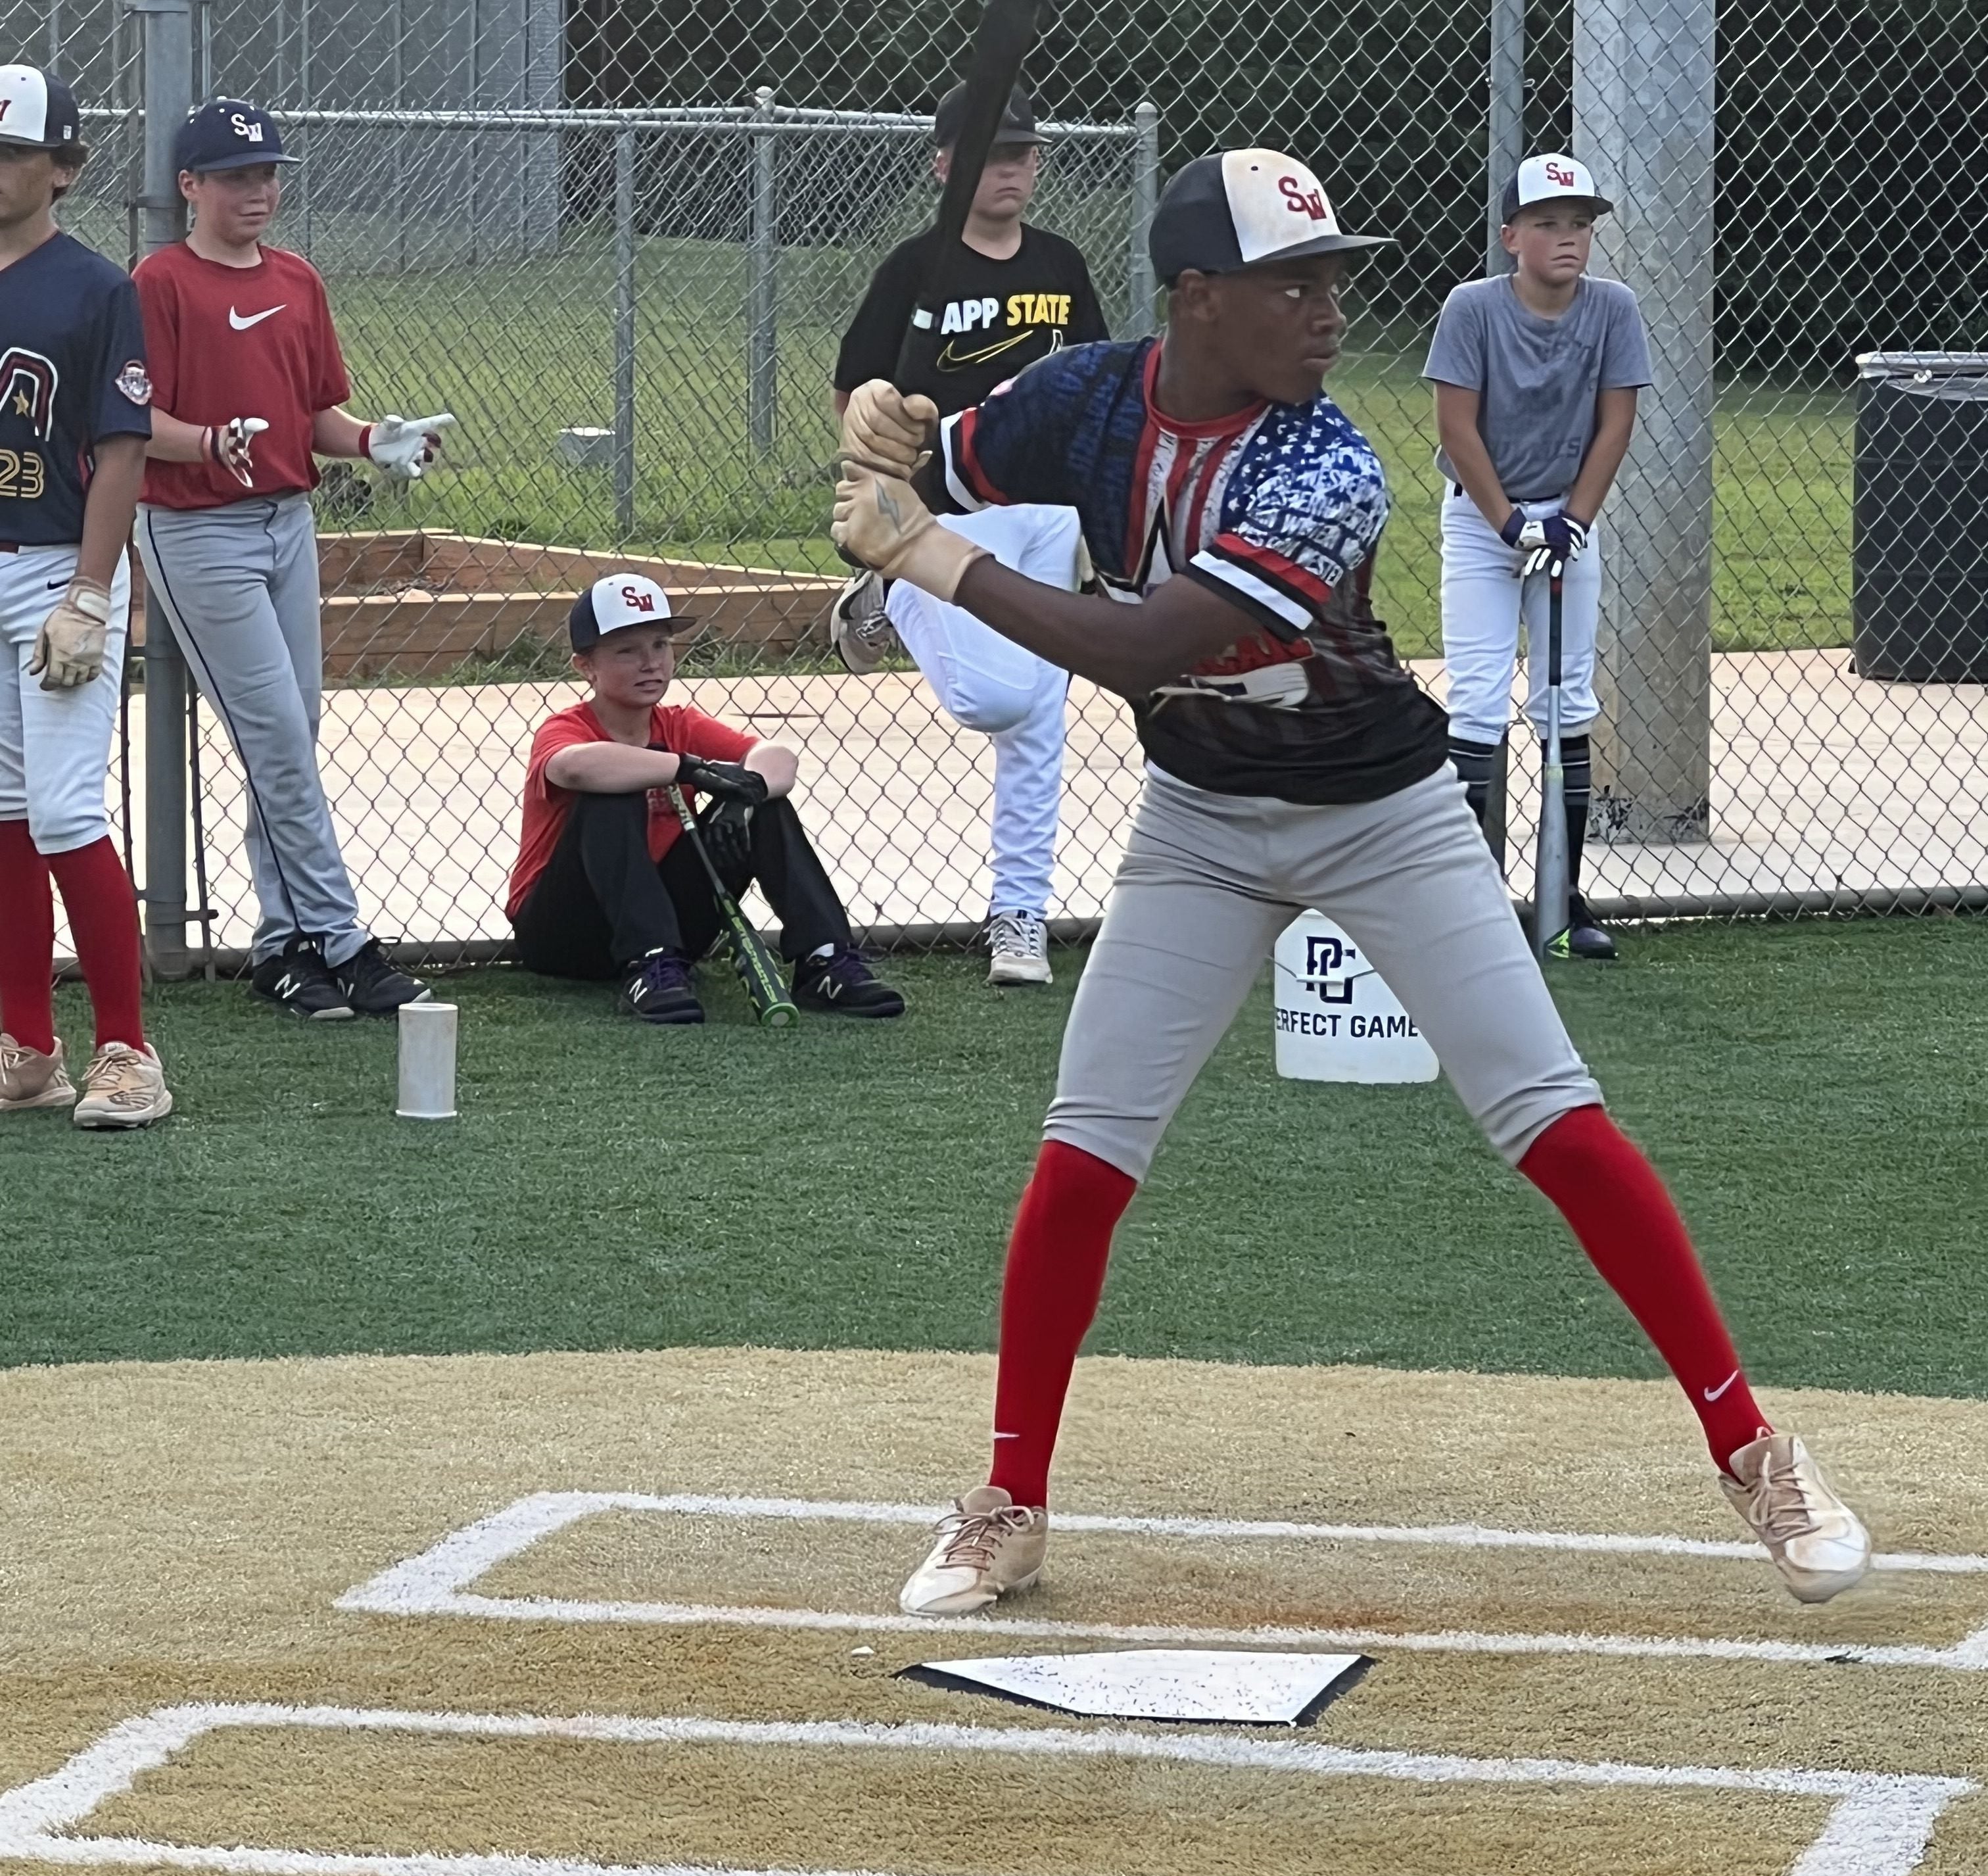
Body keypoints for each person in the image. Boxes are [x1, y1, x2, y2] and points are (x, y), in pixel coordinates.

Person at [831, 144, 1869, 1618]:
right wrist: (891, 433)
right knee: (1081, 1159)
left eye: (1332, 280)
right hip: (1201, 817)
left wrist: (920, 552)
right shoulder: (1084, 398)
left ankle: (1757, 1455)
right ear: (1196, 300)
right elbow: (927, 465)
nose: (1329, 312)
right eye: (1291, 284)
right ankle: (1010, 1501)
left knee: (1554, 1122)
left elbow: (1139, 650)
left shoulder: (1327, 463)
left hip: (1382, 814)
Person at [134, 97, 454, 1018]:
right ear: (190, 186)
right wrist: (204, 443)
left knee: (291, 741)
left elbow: (315, 413)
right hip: (198, 529)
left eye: (268, 174)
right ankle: (343, 941)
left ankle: (282, 947)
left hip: (287, 523)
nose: (258, 190)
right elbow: (129, 419)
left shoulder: (297, 278)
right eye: (237, 176)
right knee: (276, 737)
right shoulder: (160, 282)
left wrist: (371, 443)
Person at [830, 85, 1109, 987]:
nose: (1011, 171)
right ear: (943, 164)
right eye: (992, 155)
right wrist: (884, 496)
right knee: (1002, 702)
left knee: (1039, 719)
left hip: (1048, 513)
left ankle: (1019, 914)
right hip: (942, 517)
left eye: (1023, 155)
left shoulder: (1062, 265)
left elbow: (1092, 386)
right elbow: (856, 397)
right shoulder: (916, 269)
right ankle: (892, 587)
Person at [1424, 153, 1653, 959]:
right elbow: (1458, 427)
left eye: (1581, 225)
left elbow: (1615, 425)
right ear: (1511, 235)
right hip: (1484, 521)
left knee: (1566, 699)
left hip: (1567, 523)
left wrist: (1574, 522)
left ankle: (1562, 897)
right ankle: (1471, 901)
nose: (1568, 239)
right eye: (1550, 224)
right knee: (1480, 701)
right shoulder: (1473, 308)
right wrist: (1511, 521)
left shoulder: (1613, 309)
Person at [0, 63, 171, 1129]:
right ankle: (26, 1046)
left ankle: (130, 1052)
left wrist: (92, 592)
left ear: (64, 168)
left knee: (64, 810)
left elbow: (121, 451)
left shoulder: (98, 285)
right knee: (4, 810)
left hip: (54, 568)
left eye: (15, 152)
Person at [509, 571, 905, 1022]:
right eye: (627, 651)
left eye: (660, 645)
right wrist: (692, 768)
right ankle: (648, 962)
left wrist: (743, 795)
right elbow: (575, 766)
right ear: (586, 668)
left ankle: (824, 960)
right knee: (612, 792)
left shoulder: (679, 723)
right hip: (564, 932)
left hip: (675, 926)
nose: (650, 663)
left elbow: (776, 758)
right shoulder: (567, 728)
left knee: (764, 803)